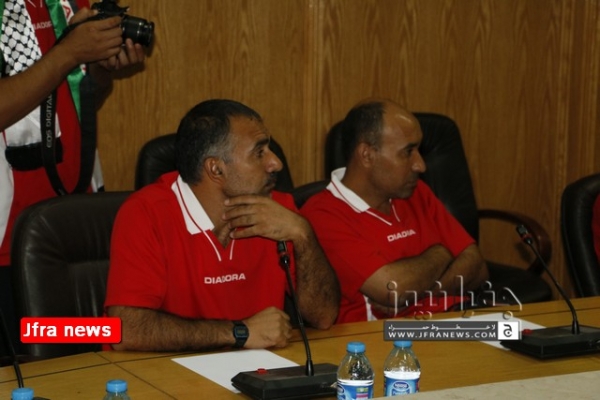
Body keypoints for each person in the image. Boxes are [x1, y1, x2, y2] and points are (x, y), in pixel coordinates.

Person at [104, 99, 340, 351]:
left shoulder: (278, 210)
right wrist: (240, 332)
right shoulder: (145, 213)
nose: (276, 163)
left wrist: (303, 234)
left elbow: (323, 317)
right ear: (215, 169)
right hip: (164, 370)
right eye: (259, 152)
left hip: (258, 370)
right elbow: (125, 331)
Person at [0, 0, 146, 355]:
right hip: (6, 238)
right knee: (20, 361)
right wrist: (67, 54)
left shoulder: (65, 3)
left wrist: (101, 70)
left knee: (82, 351)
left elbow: (76, 99)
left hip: (73, 229)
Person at [301, 99, 489, 324]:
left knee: (519, 334)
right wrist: (442, 253)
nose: (420, 165)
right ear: (367, 155)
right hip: (395, 336)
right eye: (408, 152)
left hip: (460, 320)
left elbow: (477, 267)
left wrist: (423, 292)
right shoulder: (323, 215)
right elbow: (393, 290)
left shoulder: (416, 191)